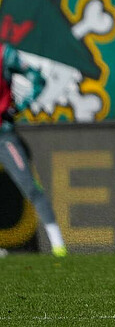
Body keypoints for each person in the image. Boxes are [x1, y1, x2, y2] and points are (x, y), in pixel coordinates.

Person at [0, 44, 66, 257]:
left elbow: (37, 79)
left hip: (3, 134)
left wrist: (19, 106)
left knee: (30, 187)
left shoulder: (4, 55)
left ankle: (58, 246)